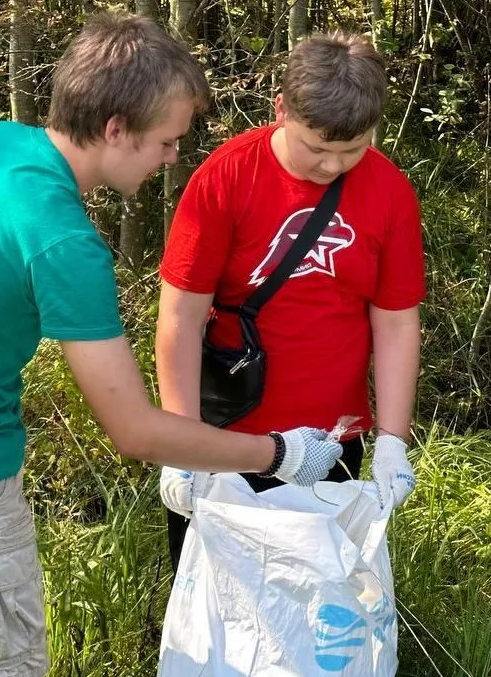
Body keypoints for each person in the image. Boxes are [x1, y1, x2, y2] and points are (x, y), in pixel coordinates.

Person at [0, 13, 343, 677]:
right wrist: (280, 453)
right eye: (166, 141)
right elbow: (134, 431)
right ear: (116, 128)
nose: (172, 158)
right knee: (6, 658)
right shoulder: (64, 244)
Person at [155, 31, 425, 570]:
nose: (332, 167)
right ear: (281, 109)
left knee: (320, 605)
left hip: (332, 441)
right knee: (217, 601)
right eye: (317, 148)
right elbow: (181, 316)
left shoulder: (389, 191)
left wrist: (393, 440)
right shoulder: (227, 177)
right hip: (224, 440)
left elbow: (396, 323)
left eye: (352, 150)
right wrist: (180, 443)